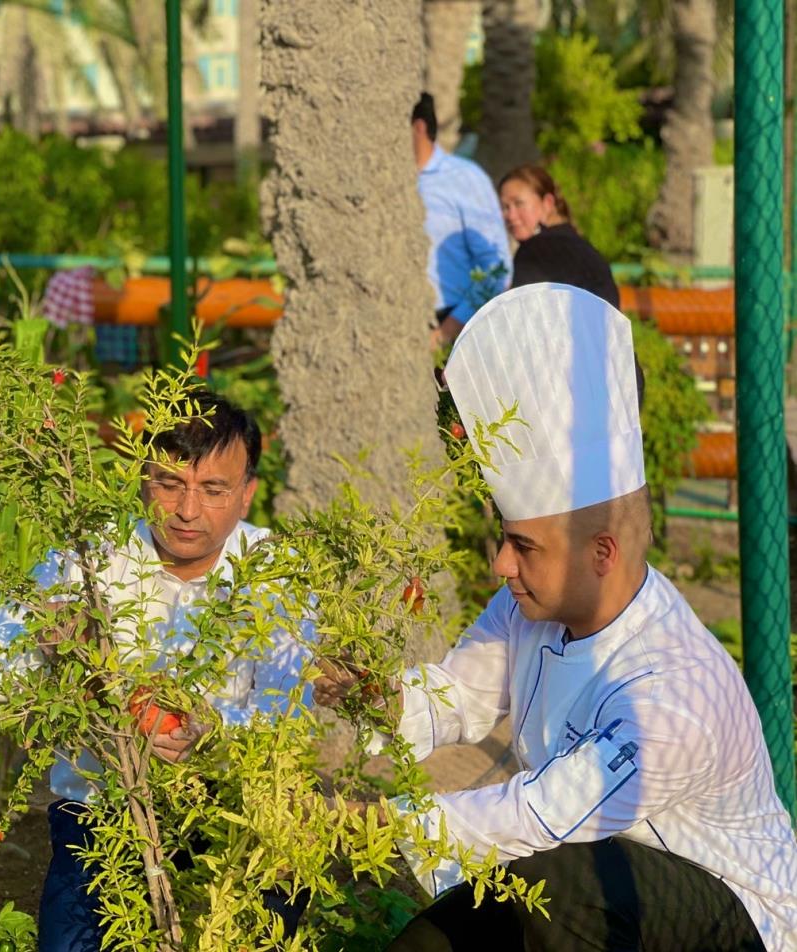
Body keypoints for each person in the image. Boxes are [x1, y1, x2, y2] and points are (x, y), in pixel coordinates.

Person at [317, 284, 797, 951]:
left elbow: (546, 816)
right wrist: (367, 695)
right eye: (505, 539)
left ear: (601, 551)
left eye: (524, 546)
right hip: (597, 886)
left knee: (556, 884)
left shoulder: (677, 691)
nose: (501, 566)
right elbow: (460, 695)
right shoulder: (531, 607)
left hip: (736, 920)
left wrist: (363, 827)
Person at [0, 391, 313, 951]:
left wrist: (213, 733)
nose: (188, 510)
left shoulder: (275, 573)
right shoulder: (87, 558)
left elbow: (292, 710)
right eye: (170, 484)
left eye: (213, 489)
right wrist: (51, 653)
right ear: (142, 482)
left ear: (246, 495)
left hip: (228, 814)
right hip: (99, 815)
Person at [412, 92, 512, 350]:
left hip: (450, 328)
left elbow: (496, 267)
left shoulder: (464, 178)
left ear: (419, 127)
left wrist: (444, 333)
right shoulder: (383, 181)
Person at [498, 164, 620, 309]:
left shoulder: (535, 250)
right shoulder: (585, 249)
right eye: (505, 207)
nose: (510, 216)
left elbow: (524, 317)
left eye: (519, 203)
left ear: (548, 203)